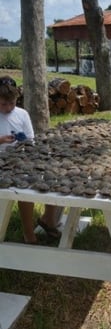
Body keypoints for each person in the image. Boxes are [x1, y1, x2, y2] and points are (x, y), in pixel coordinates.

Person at [0, 75, 60, 244]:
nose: (9, 107)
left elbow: (31, 140)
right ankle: (28, 232)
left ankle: (48, 218)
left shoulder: (22, 114)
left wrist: (23, 141)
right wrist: (2, 140)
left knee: (52, 173)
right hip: (3, 162)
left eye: (12, 103)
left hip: (21, 157)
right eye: (4, 104)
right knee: (24, 186)